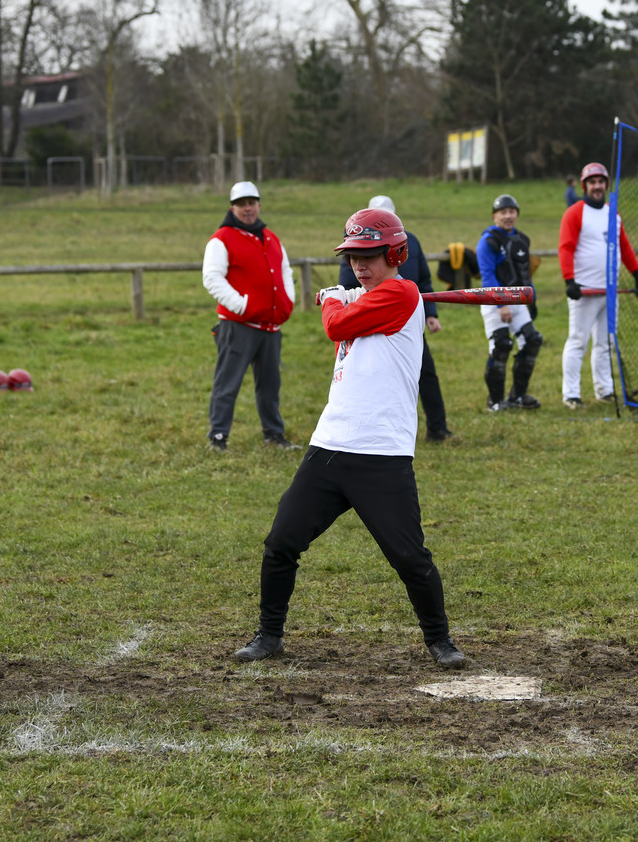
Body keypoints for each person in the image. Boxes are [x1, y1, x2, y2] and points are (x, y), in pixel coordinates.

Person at [232, 207, 466, 670]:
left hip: (381, 454)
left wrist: (335, 300)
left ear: (395, 253)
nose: (360, 264)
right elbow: (347, 316)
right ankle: (269, 634)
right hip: (329, 446)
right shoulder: (362, 296)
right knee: (281, 541)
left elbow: (336, 324)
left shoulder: (402, 292)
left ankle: (440, 640)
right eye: (354, 255)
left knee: (409, 558)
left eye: (371, 255)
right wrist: (346, 297)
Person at [337, 195, 450, 442]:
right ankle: (366, 429)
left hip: (406, 316)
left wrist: (430, 314)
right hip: (370, 319)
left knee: (426, 373)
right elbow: (347, 286)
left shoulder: (411, 242)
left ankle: (438, 427)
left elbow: (424, 279)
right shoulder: (356, 247)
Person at [201, 181, 298, 451]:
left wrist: (287, 302)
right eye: (241, 204)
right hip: (238, 326)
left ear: (259, 205)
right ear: (233, 208)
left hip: (270, 326)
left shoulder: (271, 237)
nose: (247, 208)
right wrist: (241, 306)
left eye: (251, 203)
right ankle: (218, 437)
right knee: (227, 383)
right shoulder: (222, 238)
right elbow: (211, 278)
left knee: (270, 386)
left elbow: (285, 271)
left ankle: (274, 434)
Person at [558, 162, 638, 409]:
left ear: (606, 185)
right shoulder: (575, 213)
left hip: (609, 291)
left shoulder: (614, 214)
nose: (597, 186)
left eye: (601, 182)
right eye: (592, 182)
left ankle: (605, 390)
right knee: (578, 341)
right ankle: (571, 394)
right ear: (585, 186)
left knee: (606, 343)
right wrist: (570, 280)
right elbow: (565, 248)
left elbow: (624, 247)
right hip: (584, 292)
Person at [476, 193, 544, 411]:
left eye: (511, 212)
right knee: (501, 345)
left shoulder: (521, 239)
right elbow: (487, 276)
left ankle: (518, 396)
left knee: (532, 340)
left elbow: (525, 272)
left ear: (517, 214)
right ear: (495, 216)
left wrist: (531, 298)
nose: (507, 216)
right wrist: (500, 304)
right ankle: (495, 401)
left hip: (517, 300)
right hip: (494, 299)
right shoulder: (488, 242)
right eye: (502, 212)